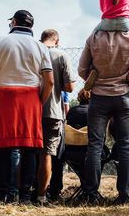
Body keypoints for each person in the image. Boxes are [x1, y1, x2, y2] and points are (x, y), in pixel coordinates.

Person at [0, 10, 54, 204]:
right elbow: (49, 80)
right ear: (31, 26)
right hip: (31, 96)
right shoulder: (40, 47)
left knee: (4, 148)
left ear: (13, 23)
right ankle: (24, 196)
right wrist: (39, 100)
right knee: (30, 149)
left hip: (4, 96)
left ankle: (1, 195)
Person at [78, 29, 129, 204]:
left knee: (94, 145)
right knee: (125, 146)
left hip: (99, 96)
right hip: (124, 97)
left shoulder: (93, 37)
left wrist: (89, 75)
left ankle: (90, 195)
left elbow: (81, 70)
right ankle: (124, 196)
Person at [37, 29, 75, 206]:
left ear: (40, 40)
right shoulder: (61, 55)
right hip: (52, 110)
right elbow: (70, 88)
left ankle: (22, 192)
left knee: (28, 152)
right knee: (47, 153)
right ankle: (41, 196)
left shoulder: (33, 52)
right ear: (57, 41)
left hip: (31, 110)